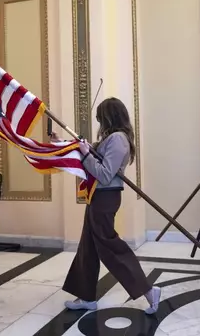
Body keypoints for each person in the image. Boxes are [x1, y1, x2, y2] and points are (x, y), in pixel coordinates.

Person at [52, 97, 161, 314]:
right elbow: (86, 154)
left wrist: (85, 154)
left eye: (101, 118)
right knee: (88, 247)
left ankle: (148, 290)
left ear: (110, 117)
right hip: (98, 197)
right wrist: (61, 144)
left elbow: (104, 173)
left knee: (110, 247)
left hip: (106, 197)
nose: (100, 123)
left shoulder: (118, 139)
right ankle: (87, 296)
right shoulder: (111, 139)